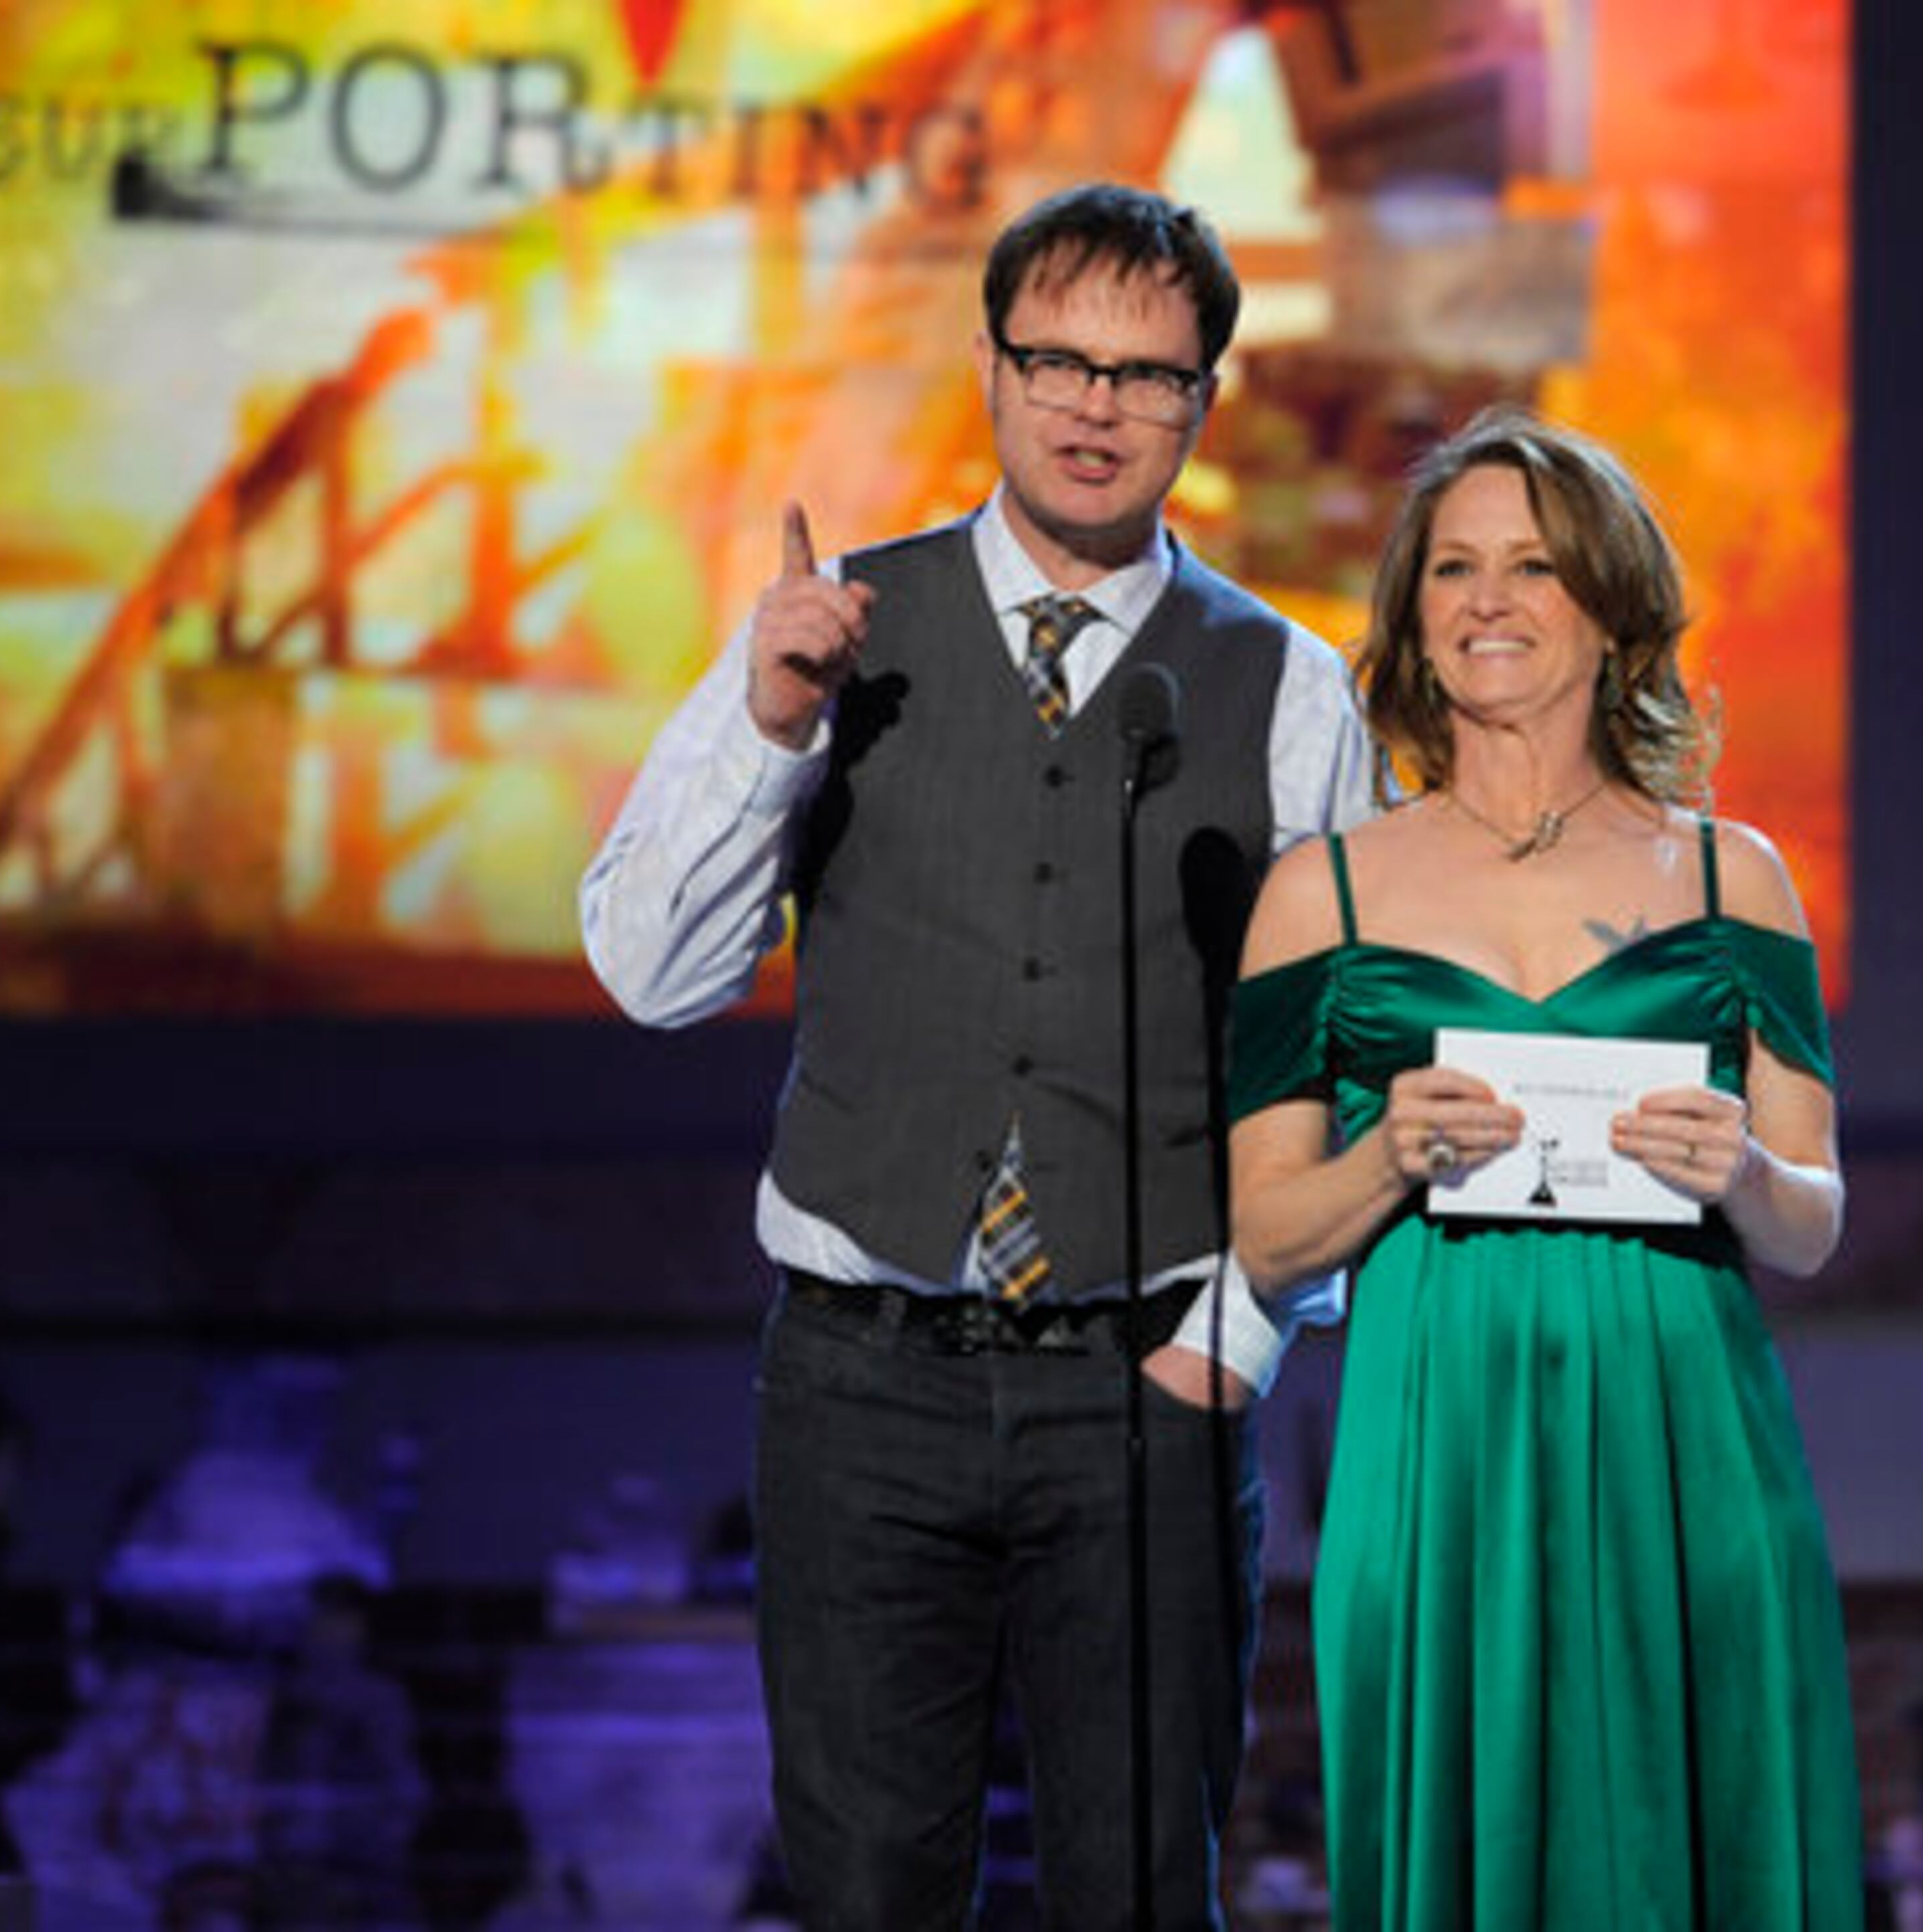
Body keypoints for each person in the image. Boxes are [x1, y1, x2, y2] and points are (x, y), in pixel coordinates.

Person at [581, 181, 1378, 1929]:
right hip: (862, 1383)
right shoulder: (836, 626)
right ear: (992, 369)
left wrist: (1231, 1350)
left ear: (1205, 401)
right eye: (1058, 362)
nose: (1097, 406)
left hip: (1149, 1386)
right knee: (869, 1892)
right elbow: (650, 970)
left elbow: (1347, 1076)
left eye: (1146, 375)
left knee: (1142, 1892)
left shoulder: (1294, 690)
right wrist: (772, 722)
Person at [1223, 404, 1862, 1928]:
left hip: (1684, 1434)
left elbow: (1813, 1218)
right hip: (1435, 1439)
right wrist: (1388, 1155)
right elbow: (1267, 1236)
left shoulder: (1733, 876)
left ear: (1612, 611)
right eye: (1453, 568)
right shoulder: (1321, 894)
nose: (1487, 600)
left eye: (1532, 567)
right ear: (1411, 613)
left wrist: (1742, 1174)